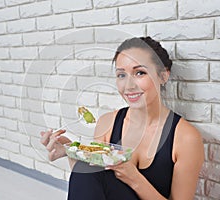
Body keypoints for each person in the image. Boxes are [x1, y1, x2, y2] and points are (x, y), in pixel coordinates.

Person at [40, 37, 204, 200]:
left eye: (140, 73)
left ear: (163, 75)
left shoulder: (186, 138)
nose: (129, 85)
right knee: (86, 169)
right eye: (121, 75)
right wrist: (70, 151)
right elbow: (92, 184)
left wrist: (134, 179)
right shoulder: (108, 123)